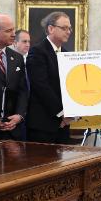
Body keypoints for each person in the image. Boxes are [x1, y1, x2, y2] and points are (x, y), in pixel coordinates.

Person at [26, 11, 73, 144]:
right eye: (64, 28)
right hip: (43, 124)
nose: (68, 31)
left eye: (69, 28)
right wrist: (62, 113)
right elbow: (41, 86)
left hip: (63, 124)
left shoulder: (66, 54)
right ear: (51, 28)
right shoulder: (37, 51)